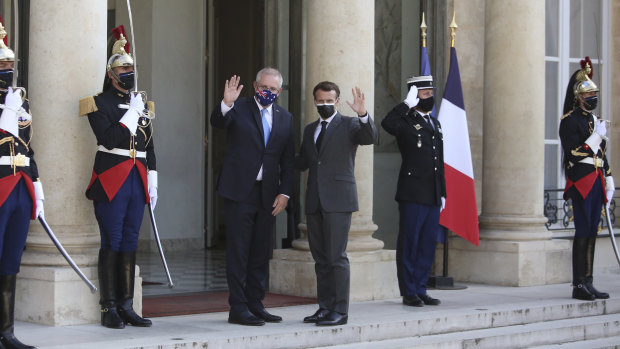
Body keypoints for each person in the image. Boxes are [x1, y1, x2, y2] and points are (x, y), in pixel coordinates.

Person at [79, 27, 156, 329]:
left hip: (137, 177)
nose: (129, 71)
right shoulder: (98, 103)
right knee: (111, 239)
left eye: (131, 67)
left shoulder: (142, 104)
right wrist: (131, 114)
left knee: (130, 240)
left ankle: (126, 305)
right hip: (112, 177)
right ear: (111, 72)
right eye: (124, 67)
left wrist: (154, 175)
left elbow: (150, 145)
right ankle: (108, 306)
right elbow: (109, 138)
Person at [211, 68, 294, 326]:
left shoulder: (285, 117)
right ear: (255, 85)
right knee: (239, 251)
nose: (267, 92)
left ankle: (256, 304)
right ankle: (238, 307)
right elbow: (218, 122)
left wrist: (285, 192)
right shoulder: (239, 106)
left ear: (279, 92)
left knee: (260, 251)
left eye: (272, 89)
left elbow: (288, 160)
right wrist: (226, 103)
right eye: (263, 87)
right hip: (239, 191)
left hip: (268, 194)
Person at [297, 81, 377, 326]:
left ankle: (340, 311)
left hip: (339, 200)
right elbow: (302, 162)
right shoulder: (310, 129)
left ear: (338, 101)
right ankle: (324, 307)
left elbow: (370, 137)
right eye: (320, 101)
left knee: (336, 257)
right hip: (314, 200)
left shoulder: (350, 124)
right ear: (314, 101)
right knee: (320, 258)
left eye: (329, 101)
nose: (325, 105)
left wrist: (363, 114)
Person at [381, 75, 445, 308]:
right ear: (414, 95)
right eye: (425, 94)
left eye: (431, 94)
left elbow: (439, 160)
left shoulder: (434, 123)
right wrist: (406, 104)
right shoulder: (405, 121)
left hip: (432, 193)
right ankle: (408, 291)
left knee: (427, 243)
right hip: (413, 193)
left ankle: (420, 288)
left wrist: (443, 192)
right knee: (410, 243)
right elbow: (387, 124)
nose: (430, 98)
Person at [0, 22, 42, 349]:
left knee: (11, 259)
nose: (8, 70)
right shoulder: (12, 105)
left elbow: (27, 146)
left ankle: (6, 331)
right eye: (2, 65)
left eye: (10, 65)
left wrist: (37, 186)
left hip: (20, 186)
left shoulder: (20, 102)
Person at [559, 58, 614, 301]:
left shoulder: (593, 120)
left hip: (596, 178)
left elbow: (601, 153)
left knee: (593, 231)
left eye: (594, 93)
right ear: (578, 96)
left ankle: (589, 280)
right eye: (589, 94)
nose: (593, 97)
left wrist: (609, 176)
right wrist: (595, 139)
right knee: (582, 231)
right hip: (581, 180)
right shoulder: (569, 121)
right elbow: (573, 153)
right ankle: (578, 284)